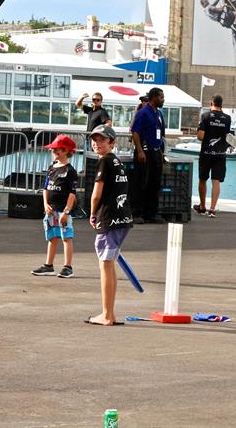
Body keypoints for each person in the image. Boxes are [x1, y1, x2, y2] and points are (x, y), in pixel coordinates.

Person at [87, 125, 133, 326]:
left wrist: (92, 213)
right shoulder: (117, 162)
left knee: (105, 264)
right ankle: (109, 313)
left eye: (101, 140)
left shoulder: (105, 162)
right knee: (109, 263)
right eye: (94, 139)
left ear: (111, 142)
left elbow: (97, 193)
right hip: (122, 217)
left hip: (110, 218)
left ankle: (107, 314)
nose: (96, 143)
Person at [32, 134, 79, 278]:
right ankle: (48, 265)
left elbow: (72, 194)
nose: (53, 152)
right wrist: (45, 204)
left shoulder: (70, 171)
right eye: (53, 150)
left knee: (66, 237)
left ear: (65, 151)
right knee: (52, 237)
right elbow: (46, 188)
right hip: (51, 210)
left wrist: (66, 211)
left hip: (63, 210)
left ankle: (68, 266)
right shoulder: (52, 168)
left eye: (56, 150)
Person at [130, 87, 166, 224]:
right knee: (141, 182)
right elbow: (135, 132)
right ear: (154, 98)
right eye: (161, 97)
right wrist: (140, 151)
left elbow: (161, 134)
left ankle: (152, 213)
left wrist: (162, 153)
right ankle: (137, 212)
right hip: (144, 151)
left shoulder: (159, 114)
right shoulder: (143, 112)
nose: (163, 100)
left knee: (155, 183)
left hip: (156, 151)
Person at [193, 94, 232, 218]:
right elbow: (227, 135)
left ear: (211, 103)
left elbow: (201, 136)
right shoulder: (227, 118)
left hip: (206, 153)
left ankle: (202, 206)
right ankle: (212, 209)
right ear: (221, 104)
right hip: (220, 153)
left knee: (202, 179)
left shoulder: (205, 116)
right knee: (216, 181)